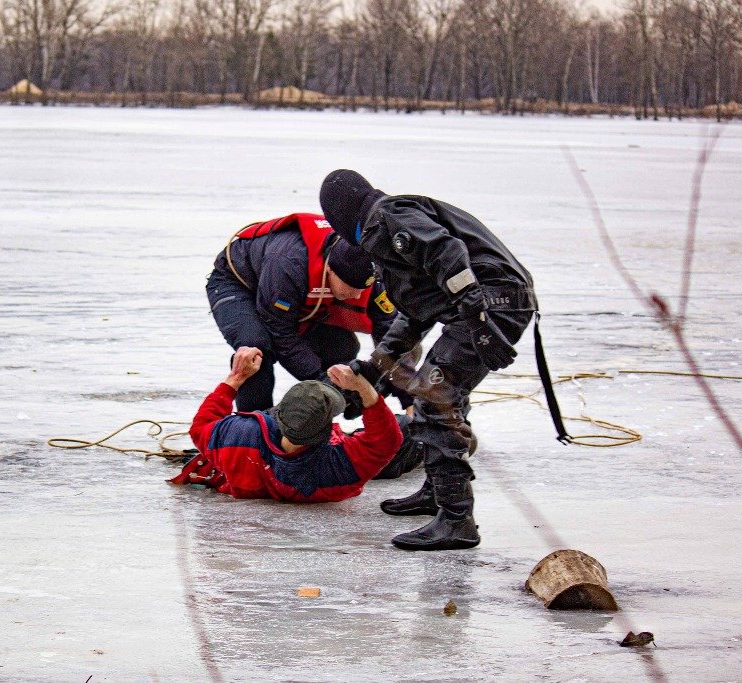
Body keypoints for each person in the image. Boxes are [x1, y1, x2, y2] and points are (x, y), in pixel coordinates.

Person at [319, 169, 566, 551]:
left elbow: (447, 251)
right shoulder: (382, 235)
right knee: (440, 393)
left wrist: (476, 313)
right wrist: (376, 367)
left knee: (434, 398)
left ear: (339, 212)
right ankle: (437, 493)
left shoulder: (388, 217)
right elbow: (417, 312)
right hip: (490, 300)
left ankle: (456, 519)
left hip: (490, 302)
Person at [206, 213, 401, 413]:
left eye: (362, 290)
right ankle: (253, 427)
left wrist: (387, 385)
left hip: (287, 293)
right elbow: (281, 335)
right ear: (330, 270)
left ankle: (314, 428)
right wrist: (322, 379)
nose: (357, 295)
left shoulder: (366, 273)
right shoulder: (290, 265)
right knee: (257, 349)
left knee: (343, 349)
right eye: (351, 288)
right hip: (239, 282)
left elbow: (391, 329)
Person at [170, 347, 403, 502]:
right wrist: (363, 387)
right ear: (327, 430)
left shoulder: (239, 436)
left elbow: (200, 427)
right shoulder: (339, 468)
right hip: (322, 478)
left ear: (277, 414)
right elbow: (388, 440)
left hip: (252, 466)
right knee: (405, 427)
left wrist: (236, 378)